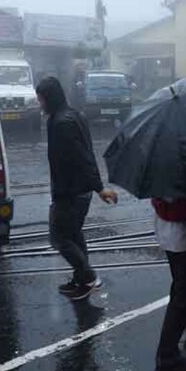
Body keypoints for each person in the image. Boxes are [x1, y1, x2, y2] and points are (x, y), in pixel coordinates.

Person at [36, 76, 118, 301]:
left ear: (49, 98)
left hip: (69, 192)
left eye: (41, 99)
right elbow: (87, 154)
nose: (39, 103)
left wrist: (100, 188)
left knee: (59, 238)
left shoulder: (61, 123)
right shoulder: (74, 115)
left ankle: (89, 277)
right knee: (73, 234)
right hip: (79, 191)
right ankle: (81, 278)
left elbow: (82, 158)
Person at [151, 197, 186, 371]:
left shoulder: (161, 171)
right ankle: (166, 353)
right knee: (183, 291)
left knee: (185, 283)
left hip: (167, 230)